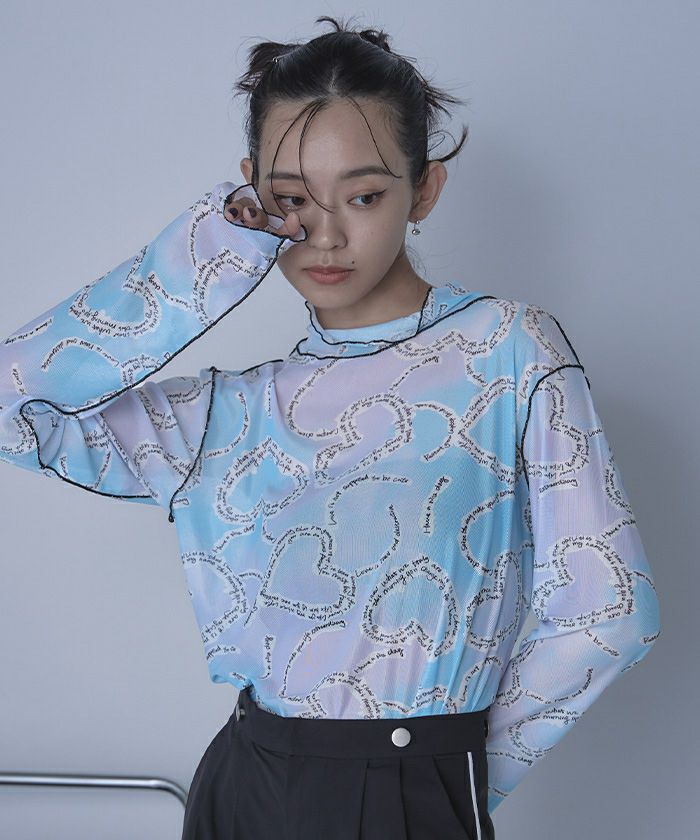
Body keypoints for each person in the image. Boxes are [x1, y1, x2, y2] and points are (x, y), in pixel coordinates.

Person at [0, 14, 661, 840]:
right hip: (241, 785)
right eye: (290, 200)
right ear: (251, 193)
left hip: (410, 789)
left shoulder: (507, 349)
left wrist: (455, 778)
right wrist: (209, 255)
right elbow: (12, 403)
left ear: (424, 190)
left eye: (365, 195)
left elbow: (610, 609)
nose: (326, 234)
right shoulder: (224, 415)